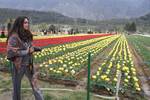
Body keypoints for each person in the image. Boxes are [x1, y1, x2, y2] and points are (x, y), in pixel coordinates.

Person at [6, 16, 44, 100]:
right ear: (20, 24)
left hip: (29, 64)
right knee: (16, 86)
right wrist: (27, 51)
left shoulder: (27, 34)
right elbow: (11, 52)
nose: (27, 24)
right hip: (18, 66)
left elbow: (29, 47)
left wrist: (36, 48)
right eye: (25, 22)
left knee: (35, 84)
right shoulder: (14, 37)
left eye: (28, 22)